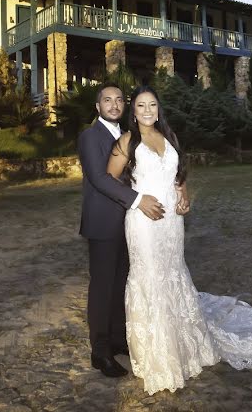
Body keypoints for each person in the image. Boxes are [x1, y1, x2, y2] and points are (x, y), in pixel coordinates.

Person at [107, 85, 252, 395]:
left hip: (172, 224)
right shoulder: (127, 142)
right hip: (144, 223)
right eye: (141, 105)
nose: (148, 110)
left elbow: (178, 175)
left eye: (152, 104)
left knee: (173, 274)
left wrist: (184, 197)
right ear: (132, 112)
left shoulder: (169, 138)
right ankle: (158, 356)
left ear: (158, 108)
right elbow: (110, 180)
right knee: (150, 278)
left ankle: (185, 343)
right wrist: (137, 200)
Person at [77, 82, 165, 378]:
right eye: (107, 100)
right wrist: (138, 200)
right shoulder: (90, 136)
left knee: (121, 283)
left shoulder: (132, 135)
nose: (114, 105)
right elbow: (100, 179)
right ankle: (99, 351)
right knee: (102, 287)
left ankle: (116, 339)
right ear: (97, 106)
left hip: (130, 224)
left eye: (118, 100)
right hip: (103, 221)